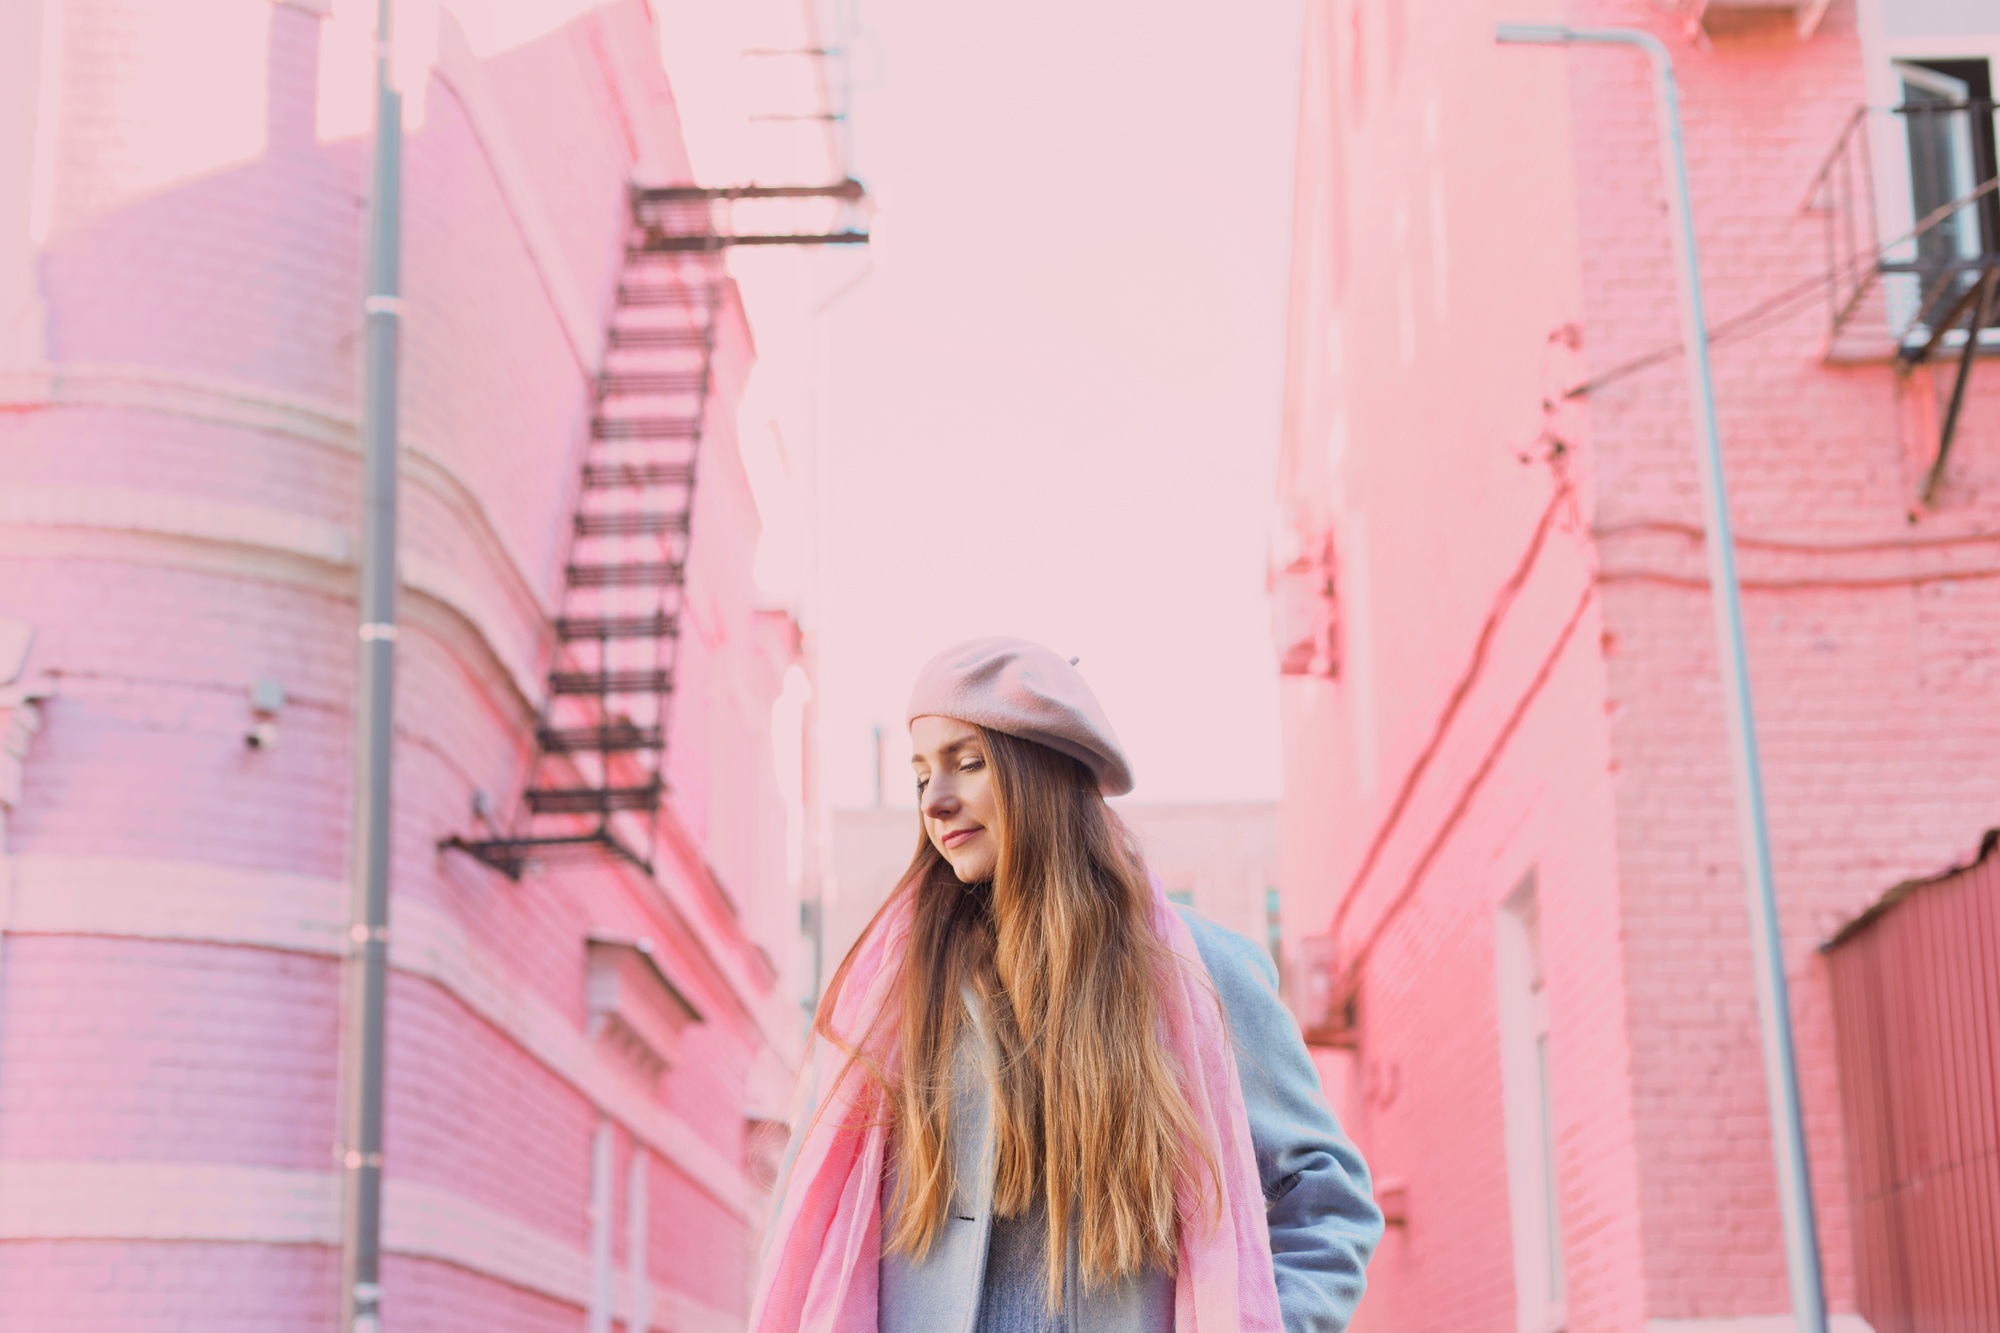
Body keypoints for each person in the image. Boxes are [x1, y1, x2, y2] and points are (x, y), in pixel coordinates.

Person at [753, 638, 1382, 1333]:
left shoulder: (1206, 974)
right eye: (922, 773)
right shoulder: (884, 998)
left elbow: (1328, 1198)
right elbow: (804, 1221)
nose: (936, 800)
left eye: (967, 763)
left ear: (1042, 776)